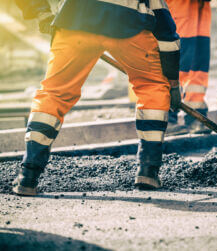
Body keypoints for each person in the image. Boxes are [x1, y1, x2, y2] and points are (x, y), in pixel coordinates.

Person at [12, 0, 181, 195]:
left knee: (54, 92)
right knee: (152, 87)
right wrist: (172, 82)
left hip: (76, 18)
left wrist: (39, 11)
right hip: (128, 23)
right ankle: (148, 172)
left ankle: (28, 175)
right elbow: (164, 26)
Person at [165, 0, 212, 135]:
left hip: (200, 7)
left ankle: (195, 115)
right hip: (179, 6)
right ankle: (167, 118)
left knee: (199, 65)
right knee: (177, 61)